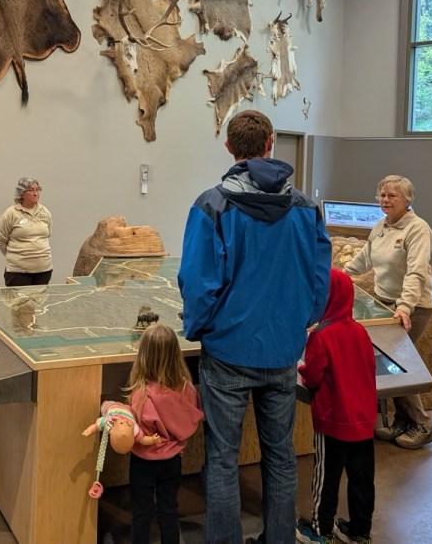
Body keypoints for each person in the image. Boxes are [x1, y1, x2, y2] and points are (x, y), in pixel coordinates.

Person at [179, 109, 331, 544]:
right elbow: (319, 276)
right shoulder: (305, 208)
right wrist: (302, 322)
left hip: (227, 351)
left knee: (223, 459)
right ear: (270, 145)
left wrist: (199, 329)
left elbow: (197, 282)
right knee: (282, 456)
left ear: (230, 148)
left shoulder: (212, 205)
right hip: (283, 350)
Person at [344, 174, 432, 450]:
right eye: (382, 195)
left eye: (392, 195)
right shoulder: (381, 227)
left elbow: (416, 272)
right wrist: (338, 277)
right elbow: (364, 259)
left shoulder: (418, 229)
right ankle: (402, 421)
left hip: (412, 308)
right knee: (389, 363)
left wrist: (405, 306)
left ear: (407, 200)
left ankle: (422, 425)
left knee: (397, 364)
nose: (385, 200)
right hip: (383, 304)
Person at [296, 269, 376, 544]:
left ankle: (320, 529)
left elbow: (313, 375)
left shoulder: (322, 336)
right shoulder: (361, 333)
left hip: (333, 421)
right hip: (363, 420)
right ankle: (360, 530)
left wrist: (301, 368)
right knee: (362, 479)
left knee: (326, 477)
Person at [124, 324, 204, 544]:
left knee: (142, 513)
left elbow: (131, 427)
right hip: (172, 462)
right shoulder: (187, 389)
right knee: (169, 510)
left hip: (143, 462)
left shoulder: (140, 395)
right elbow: (193, 418)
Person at [0, 176, 53, 287]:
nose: (36, 193)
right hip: (18, 272)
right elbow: (0, 241)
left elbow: (48, 234)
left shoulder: (45, 212)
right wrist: (17, 258)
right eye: (31, 190)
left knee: (39, 304)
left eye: (38, 190)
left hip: (44, 270)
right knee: (20, 304)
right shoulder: (10, 214)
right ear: (21, 193)